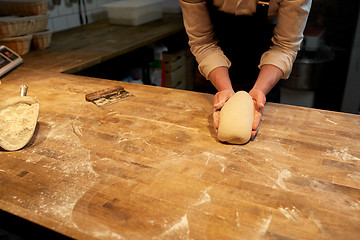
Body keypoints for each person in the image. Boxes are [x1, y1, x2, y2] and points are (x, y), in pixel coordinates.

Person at [179, 0, 312, 140]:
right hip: (212, 71)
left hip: (265, 73)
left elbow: (285, 46)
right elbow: (202, 41)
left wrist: (259, 91)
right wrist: (225, 90)